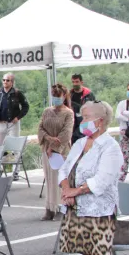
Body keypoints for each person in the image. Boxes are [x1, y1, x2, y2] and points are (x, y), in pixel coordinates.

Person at [59, 101, 123, 255]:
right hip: (77, 206)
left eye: (86, 118)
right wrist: (66, 188)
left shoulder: (110, 147)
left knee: (101, 251)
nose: (82, 121)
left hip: (99, 208)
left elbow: (103, 180)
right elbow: (65, 168)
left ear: (100, 121)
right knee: (86, 249)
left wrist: (76, 191)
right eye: (82, 117)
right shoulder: (80, 143)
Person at [38, 85, 74, 220]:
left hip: (60, 151)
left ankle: (61, 207)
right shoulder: (47, 111)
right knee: (49, 180)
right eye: (53, 95)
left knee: (60, 180)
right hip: (46, 150)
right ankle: (50, 207)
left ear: (64, 96)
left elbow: (66, 133)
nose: (55, 98)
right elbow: (40, 128)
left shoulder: (68, 113)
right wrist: (48, 139)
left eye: (58, 96)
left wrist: (53, 147)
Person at [0, 73, 29, 144]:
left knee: (14, 146)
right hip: (0, 123)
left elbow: (25, 106)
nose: (5, 82)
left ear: (12, 82)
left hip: (13, 123)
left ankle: (15, 155)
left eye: (7, 80)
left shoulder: (17, 93)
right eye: (3, 80)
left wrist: (18, 117)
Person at [69, 74, 96, 142]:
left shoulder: (89, 94)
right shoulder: (69, 95)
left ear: (81, 82)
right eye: (73, 82)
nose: (75, 84)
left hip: (86, 123)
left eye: (77, 81)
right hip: (73, 124)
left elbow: (94, 109)